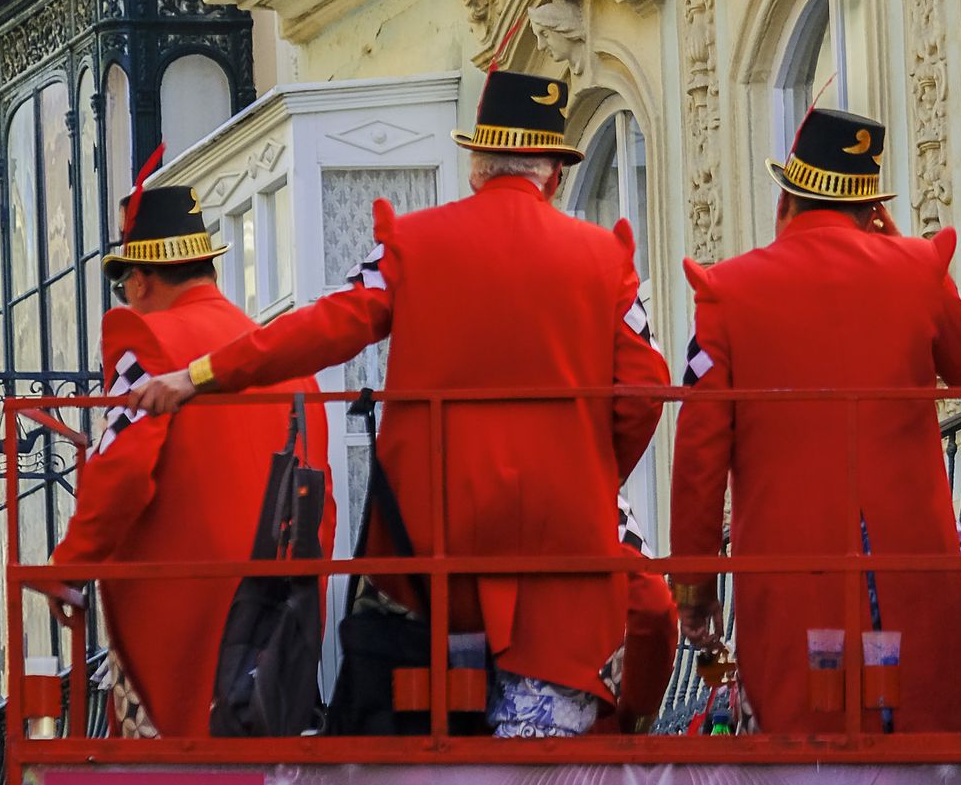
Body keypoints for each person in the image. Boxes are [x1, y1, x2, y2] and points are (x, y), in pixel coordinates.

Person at [132, 66, 669, 738]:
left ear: (476, 163)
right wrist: (590, 472)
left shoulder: (412, 243)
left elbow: (323, 327)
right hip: (559, 559)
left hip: (426, 555)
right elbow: (646, 386)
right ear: (553, 173)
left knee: (426, 766)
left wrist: (201, 374)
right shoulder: (607, 256)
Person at [669, 104, 961, 734]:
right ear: (871, 207)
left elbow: (698, 458)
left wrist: (694, 592)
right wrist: (909, 255)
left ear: (786, 199)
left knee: (810, 773)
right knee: (921, 769)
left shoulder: (726, 293)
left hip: (794, 590)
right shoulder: (917, 271)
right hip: (908, 584)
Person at [46, 163, 331, 738]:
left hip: (183, 629)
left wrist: (70, 564)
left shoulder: (142, 335)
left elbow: (122, 468)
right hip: (278, 638)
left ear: (140, 280)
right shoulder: (280, 361)